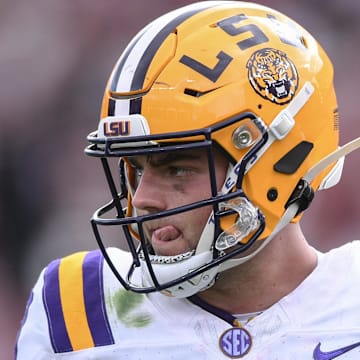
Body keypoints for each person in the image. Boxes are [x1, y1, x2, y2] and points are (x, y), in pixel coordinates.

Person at [15, 1, 360, 359]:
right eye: (135, 169)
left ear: (276, 164)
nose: (143, 198)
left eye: (177, 168)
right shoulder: (78, 308)